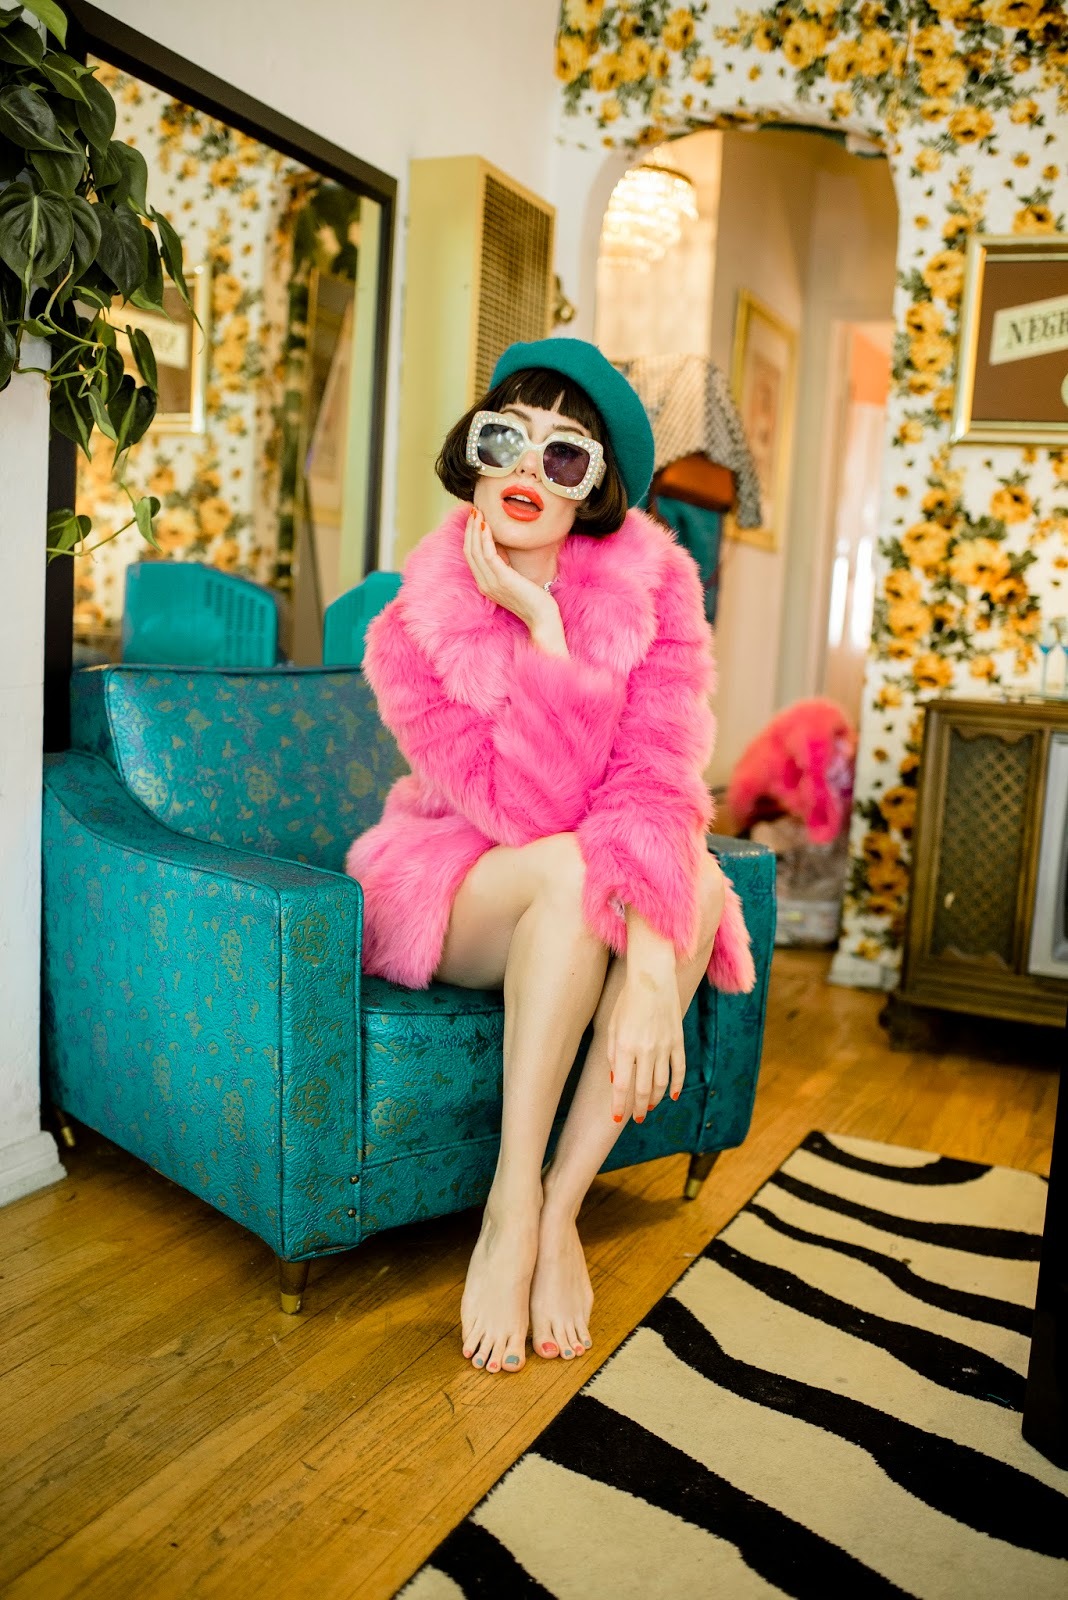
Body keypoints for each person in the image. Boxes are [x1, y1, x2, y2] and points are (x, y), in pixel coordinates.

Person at [346, 338, 755, 1376]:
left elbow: (659, 776)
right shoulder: (410, 626)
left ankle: (560, 1208)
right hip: (453, 875)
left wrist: (654, 964)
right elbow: (529, 817)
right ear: (473, 454)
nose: (529, 468)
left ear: (594, 490)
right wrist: (544, 632)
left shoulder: (659, 588)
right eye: (507, 440)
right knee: (580, 871)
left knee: (697, 881)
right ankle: (509, 1206)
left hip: (577, 863)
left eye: (564, 455)